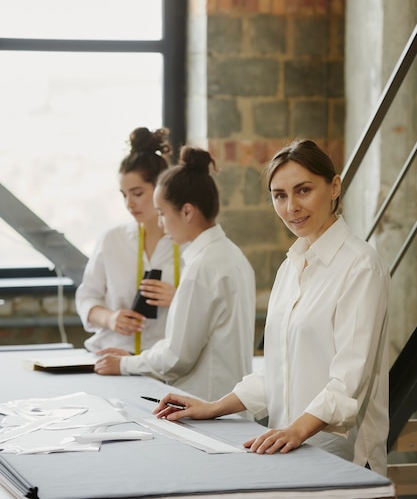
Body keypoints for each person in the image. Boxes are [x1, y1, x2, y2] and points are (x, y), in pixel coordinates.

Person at [153, 139, 390, 476]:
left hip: (341, 458)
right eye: (280, 195)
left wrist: (296, 430)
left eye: (303, 190)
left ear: (334, 187)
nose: (291, 206)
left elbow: (348, 383)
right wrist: (214, 407)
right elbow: (277, 369)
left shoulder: (361, 267)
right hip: (287, 452)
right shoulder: (291, 266)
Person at [94, 146, 257, 402]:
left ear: (187, 212)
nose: (159, 223)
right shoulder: (232, 256)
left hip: (205, 403)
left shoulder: (201, 268)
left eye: (162, 213)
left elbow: (177, 357)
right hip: (228, 400)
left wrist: (125, 365)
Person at [76, 127, 180, 354]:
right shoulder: (111, 240)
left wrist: (180, 298)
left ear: (161, 187)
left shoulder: (187, 245)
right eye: (124, 195)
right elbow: (86, 298)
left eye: (137, 193)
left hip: (164, 366)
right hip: (110, 357)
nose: (129, 204)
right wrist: (110, 318)